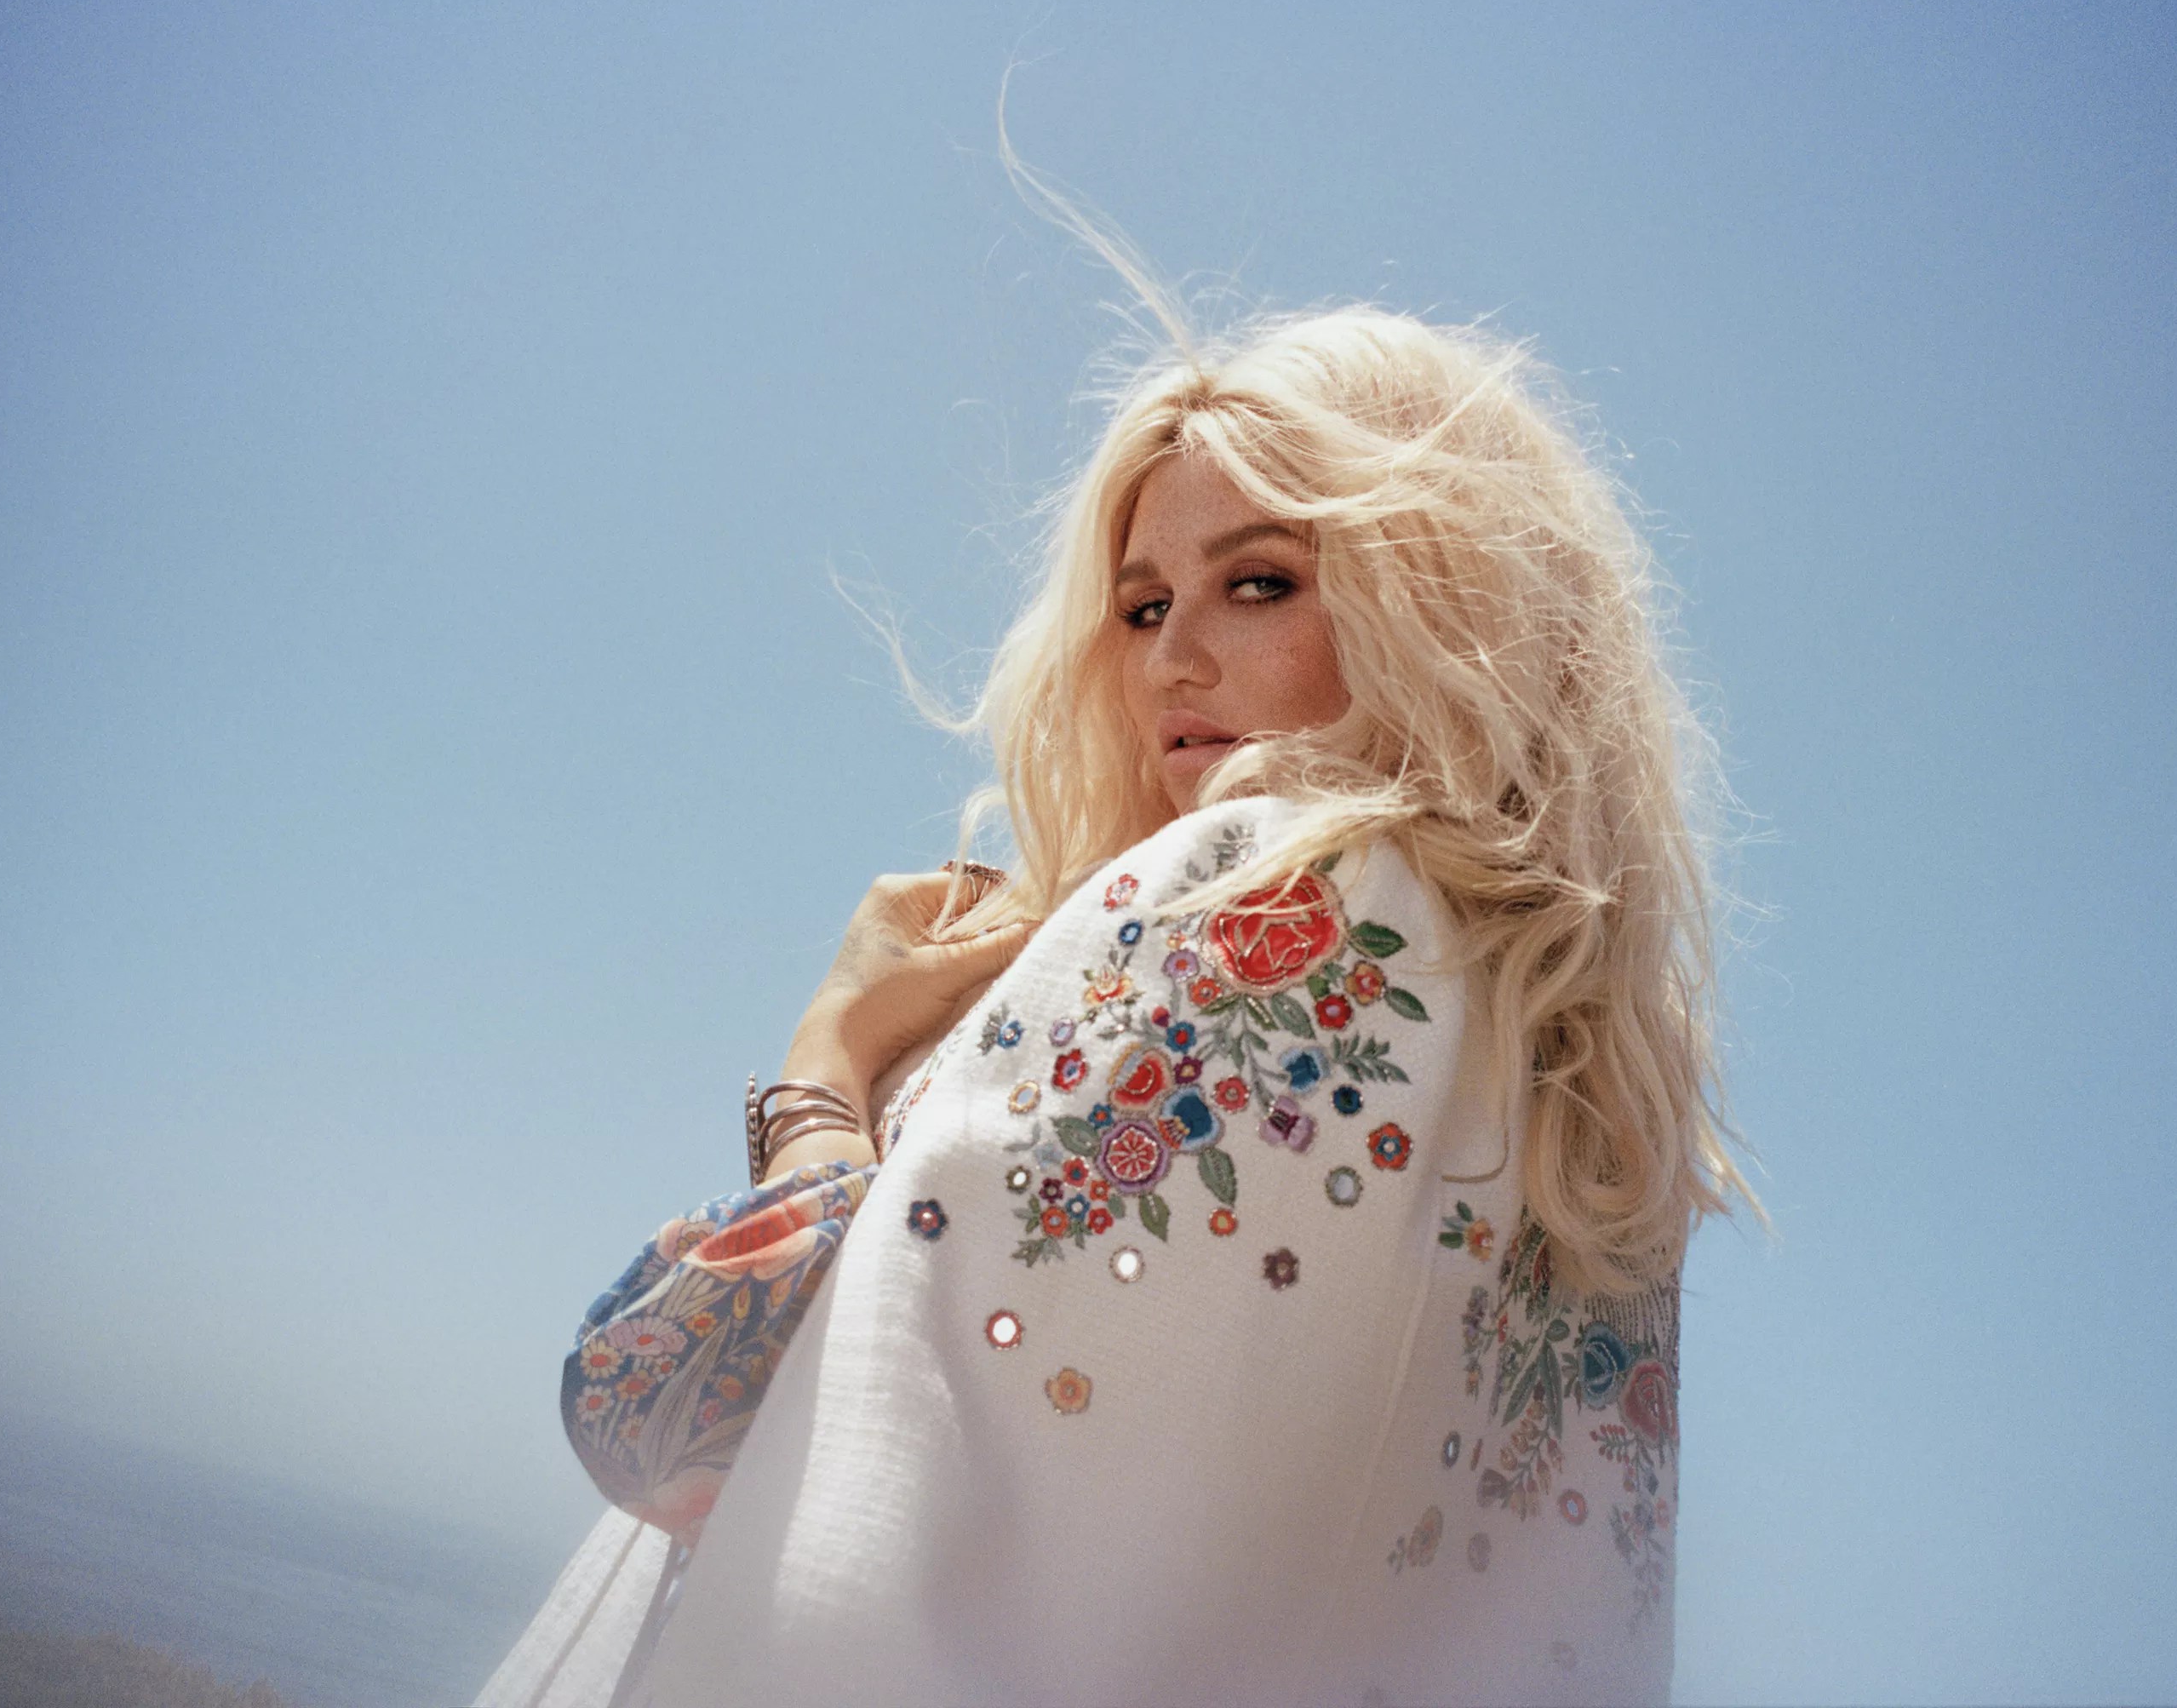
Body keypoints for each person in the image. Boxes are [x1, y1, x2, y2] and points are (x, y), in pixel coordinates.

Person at [473, 289, 1753, 1708]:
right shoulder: (1590, 1105)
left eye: (1260, 583)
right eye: (1144, 607)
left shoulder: (1267, 891)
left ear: (1445, 601)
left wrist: (828, 1065)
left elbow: (694, 1426)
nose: (1171, 660)